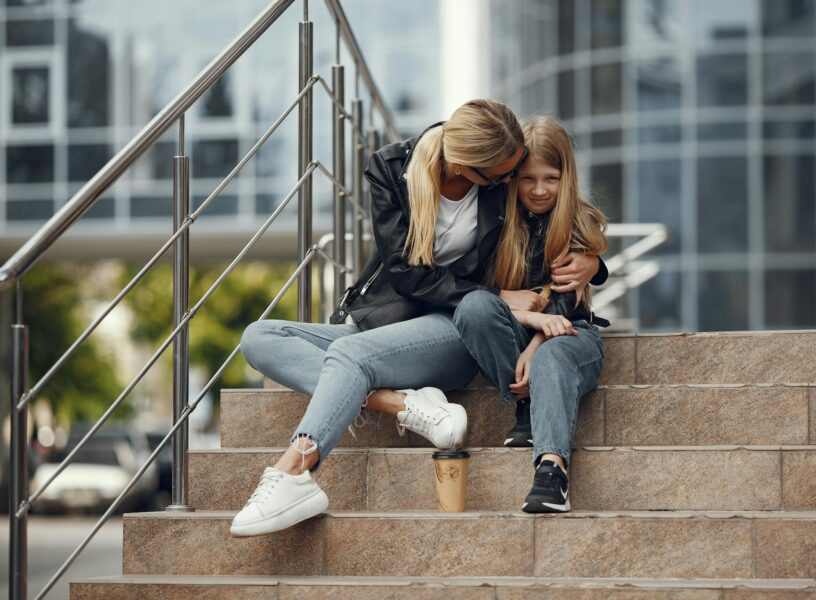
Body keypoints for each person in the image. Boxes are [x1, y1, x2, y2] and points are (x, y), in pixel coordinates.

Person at [231, 100, 601, 536]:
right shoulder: (394, 170)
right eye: (503, 176)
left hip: (455, 325)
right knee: (259, 337)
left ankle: (295, 470)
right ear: (465, 166)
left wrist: (593, 262)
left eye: (512, 175)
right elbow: (405, 272)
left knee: (351, 356)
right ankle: (404, 404)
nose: (513, 182)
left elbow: (555, 225)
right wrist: (502, 295)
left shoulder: (501, 182)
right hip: (393, 320)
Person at [453, 116, 609, 513]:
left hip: (571, 334)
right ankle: (524, 404)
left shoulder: (579, 220)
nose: (539, 190)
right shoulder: (493, 220)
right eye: (528, 179)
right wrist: (528, 325)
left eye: (551, 178)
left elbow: (564, 302)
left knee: (552, 356)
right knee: (474, 308)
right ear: (511, 178)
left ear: (566, 177)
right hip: (517, 329)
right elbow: (473, 288)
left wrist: (536, 346)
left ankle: (552, 472)